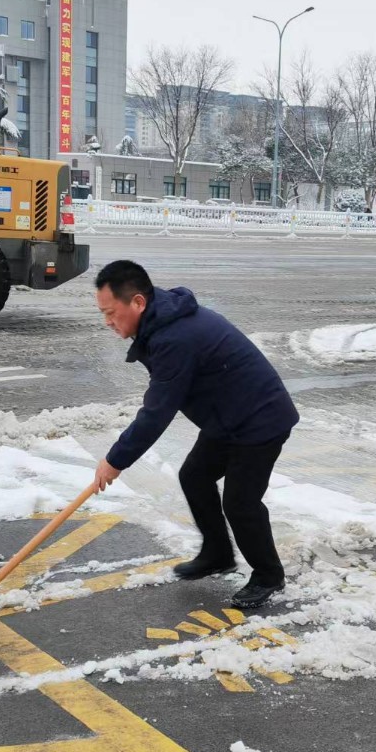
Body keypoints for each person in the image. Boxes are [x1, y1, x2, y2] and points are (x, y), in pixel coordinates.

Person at [91, 260, 300, 608]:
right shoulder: (164, 322)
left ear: (138, 302)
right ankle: (218, 553)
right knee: (195, 475)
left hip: (260, 420)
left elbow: (157, 412)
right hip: (228, 417)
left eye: (111, 313)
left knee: (240, 503)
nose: (108, 322)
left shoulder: (174, 337)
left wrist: (115, 461)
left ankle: (269, 575)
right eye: (104, 314)